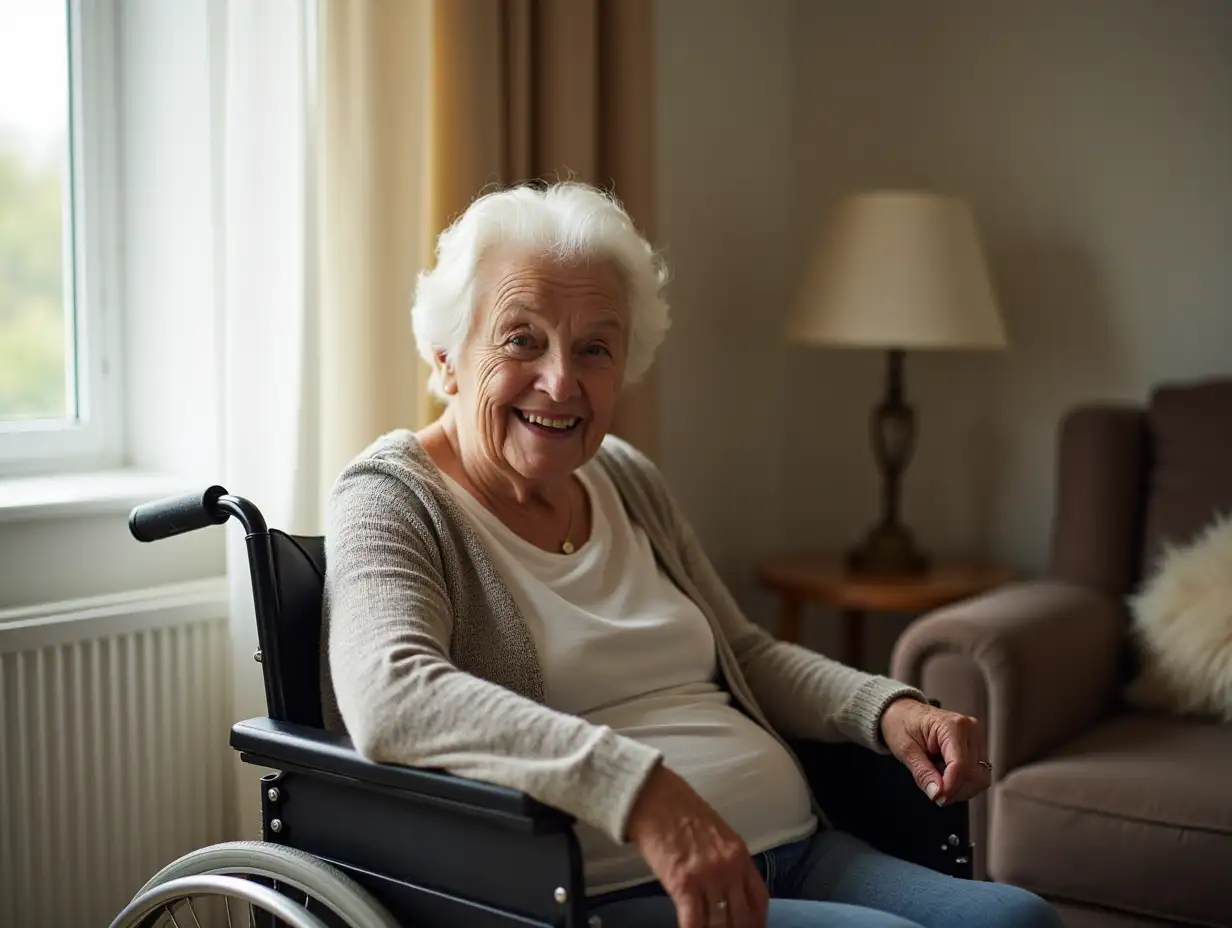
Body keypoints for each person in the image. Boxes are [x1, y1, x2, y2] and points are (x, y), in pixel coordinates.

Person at [321, 181, 1061, 928]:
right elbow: (394, 695)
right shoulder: (392, 496)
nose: (561, 381)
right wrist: (641, 791)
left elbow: (744, 651)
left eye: (594, 348)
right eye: (521, 340)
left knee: (1019, 920)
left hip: (795, 849)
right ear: (447, 360)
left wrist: (887, 710)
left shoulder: (622, 476)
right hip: (613, 892)